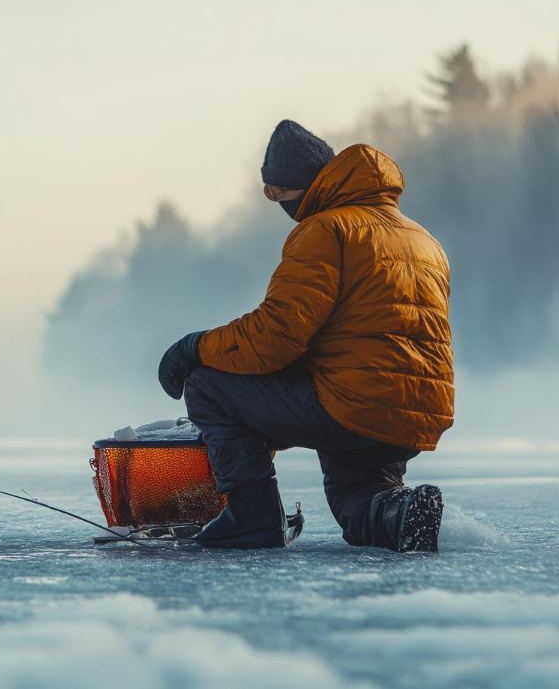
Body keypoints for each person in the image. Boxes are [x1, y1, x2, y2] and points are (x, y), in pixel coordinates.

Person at [157, 120, 453, 551]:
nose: (277, 201)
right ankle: (399, 513)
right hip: (413, 412)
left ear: (299, 184)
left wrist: (195, 348)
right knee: (357, 499)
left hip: (353, 401)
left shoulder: (325, 230)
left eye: (275, 191)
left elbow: (274, 337)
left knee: (209, 385)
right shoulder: (420, 237)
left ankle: (252, 518)